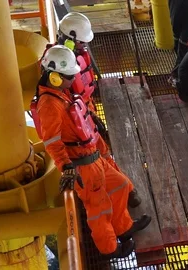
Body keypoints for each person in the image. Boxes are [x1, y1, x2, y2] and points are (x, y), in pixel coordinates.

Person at [32, 45, 152, 259]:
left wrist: (91, 119)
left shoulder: (60, 93)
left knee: (120, 185)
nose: (73, 80)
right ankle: (109, 249)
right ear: (56, 78)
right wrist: (66, 166)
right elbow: (51, 141)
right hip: (82, 166)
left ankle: (124, 229)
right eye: (70, 76)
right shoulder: (49, 105)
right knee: (99, 209)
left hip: (93, 157)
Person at [42, 12, 142, 208]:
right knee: (94, 155)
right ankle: (115, 195)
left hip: (85, 110)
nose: (85, 45)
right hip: (77, 120)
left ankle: (126, 189)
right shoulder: (59, 68)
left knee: (104, 152)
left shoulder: (73, 57)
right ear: (70, 39)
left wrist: (91, 115)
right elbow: (62, 105)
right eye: (81, 42)